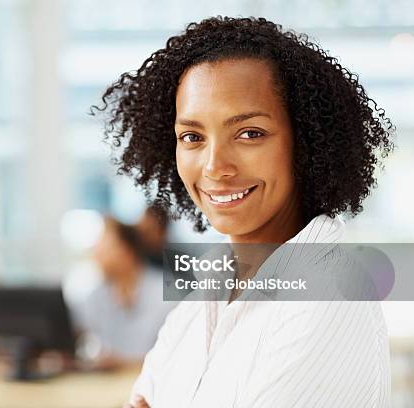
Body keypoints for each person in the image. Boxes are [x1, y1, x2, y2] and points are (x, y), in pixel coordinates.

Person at [92, 17, 394, 408]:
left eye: (250, 133)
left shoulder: (331, 294)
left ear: (304, 142)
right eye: (193, 137)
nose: (215, 166)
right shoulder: (205, 295)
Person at [72, 216, 174, 369]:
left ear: (127, 252)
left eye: (105, 247)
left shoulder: (166, 294)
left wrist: (124, 364)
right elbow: (78, 331)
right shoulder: (97, 294)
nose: (97, 256)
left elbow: (175, 358)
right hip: (107, 385)